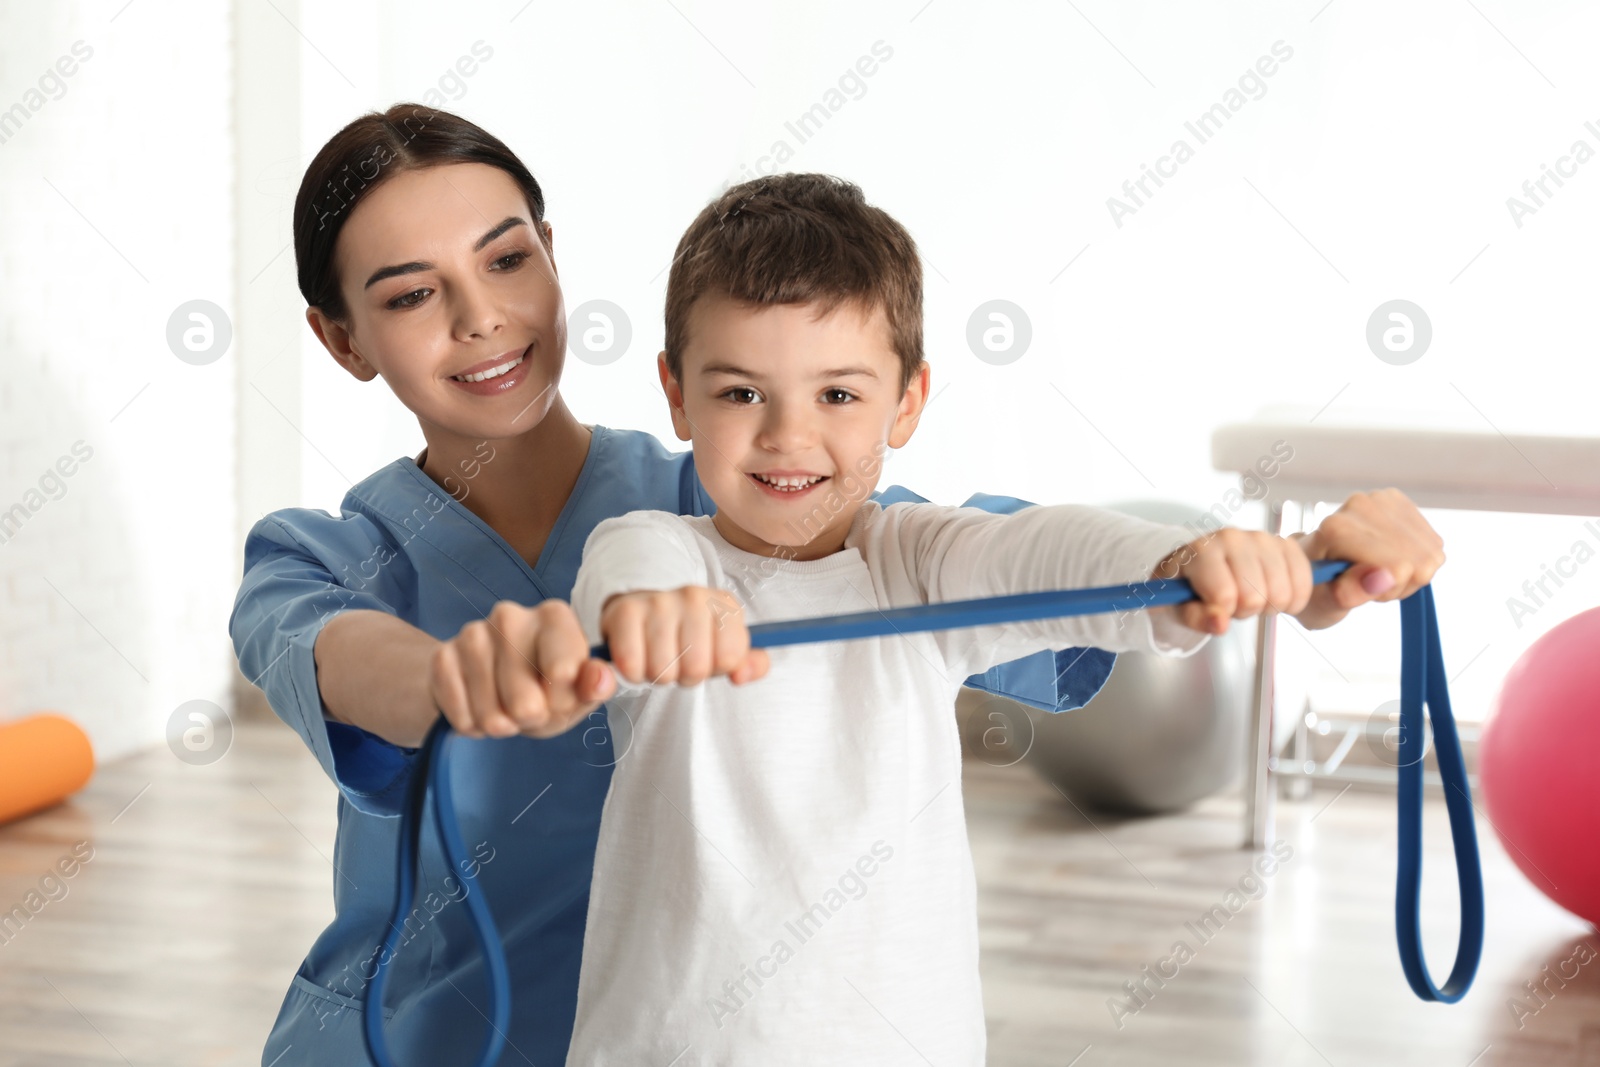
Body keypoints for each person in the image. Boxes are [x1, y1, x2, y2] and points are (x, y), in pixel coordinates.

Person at [226, 102, 1239, 1065]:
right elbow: (349, 659)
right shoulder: (313, 554)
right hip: (414, 1040)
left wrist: (1250, 561)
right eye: (410, 292)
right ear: (342, 337)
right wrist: (463, 674)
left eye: (506, 259)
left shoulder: (745, 497)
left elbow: (1005, 557)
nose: (482, 316)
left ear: (551, 256)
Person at [559, 174, 1448, 1064]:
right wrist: (653, 615)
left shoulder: (913, 561)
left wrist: (1191, 562)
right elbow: (624, 584)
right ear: (676, 394)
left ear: (907, 401)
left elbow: (1042, 549)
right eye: (741, 393)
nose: (789, 435)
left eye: (838, 395)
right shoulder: (654, 547)